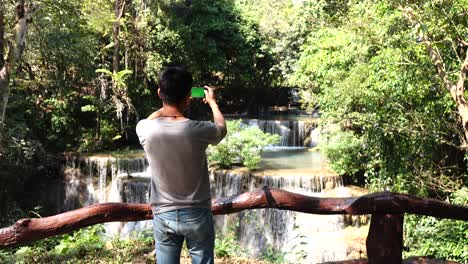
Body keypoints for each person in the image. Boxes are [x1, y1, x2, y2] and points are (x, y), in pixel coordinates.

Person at [136, 65, 227, 264]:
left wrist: (165, 106)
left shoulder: (146, 129)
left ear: (160, 92)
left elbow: (149, 119)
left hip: (163, 213)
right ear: (188, 96)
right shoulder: (198, 130)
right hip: (197, 214)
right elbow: (221, 129)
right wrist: (212, 103)